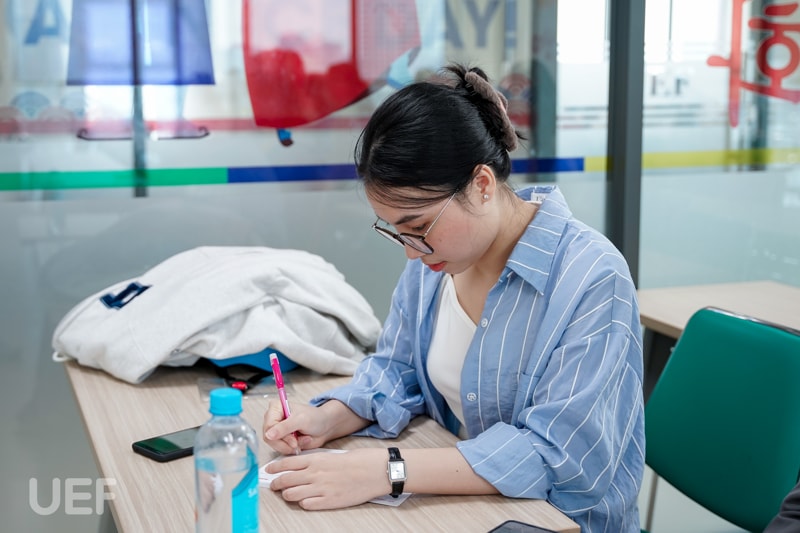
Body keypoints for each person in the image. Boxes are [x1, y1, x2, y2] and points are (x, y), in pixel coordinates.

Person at [262, 63, 645, 532]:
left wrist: (388, 470)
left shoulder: (590, 277)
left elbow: (560, 457)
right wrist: (329, 419)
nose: (410, 250)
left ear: (481, 185)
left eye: (419, 226)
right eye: (396, 231)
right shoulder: (436, 261)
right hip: (463, 510)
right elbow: (399, 370)